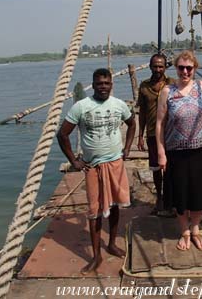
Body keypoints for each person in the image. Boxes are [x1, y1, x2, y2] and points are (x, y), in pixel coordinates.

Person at [57, 68, 136, 274]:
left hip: (115, 163)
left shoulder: (119, 104)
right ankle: (96, 256)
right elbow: (62, 134)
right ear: (93, 85)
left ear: (112, 84)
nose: (103, 87)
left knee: (116, 205)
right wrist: (74, 160)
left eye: (107, 83)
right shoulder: (81, 106)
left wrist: (127, 148)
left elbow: (132, 123)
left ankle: (111, 243)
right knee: (95, 211)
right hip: (92, 167)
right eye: (99, 83)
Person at [156, 50, 202, 251]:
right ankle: (184, 230)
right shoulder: (167, 91)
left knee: (198, 192)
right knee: (180, 192)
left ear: (195, 69)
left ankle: (196, 228)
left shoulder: (201, 86)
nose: (185, 71)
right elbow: (159, 123)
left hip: (201, 149)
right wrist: (161, 152)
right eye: (181, 67)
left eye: (189, 68)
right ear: (176, 68)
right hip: (176, 151)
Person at [136, 53, 174, 214]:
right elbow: (142, 112)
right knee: (156, 168)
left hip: (172, 133)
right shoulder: (144, 86)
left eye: (161, 66)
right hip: (153, 134)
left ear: (165, 67)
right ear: (150, 66)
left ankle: (172, 198)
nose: (158, 69)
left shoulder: (172, 83)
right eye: (155, 66)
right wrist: (140, 135)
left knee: (171, 168)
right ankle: (159, 197)